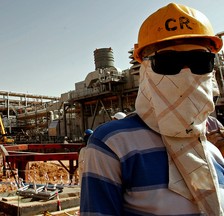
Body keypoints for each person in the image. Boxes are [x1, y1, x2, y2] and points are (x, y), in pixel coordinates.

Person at [80, 3, 224, 216]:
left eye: (199, 61)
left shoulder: (212, 142)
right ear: (145, 70)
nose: (186, 73)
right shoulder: (113, 145)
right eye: (168, 62)